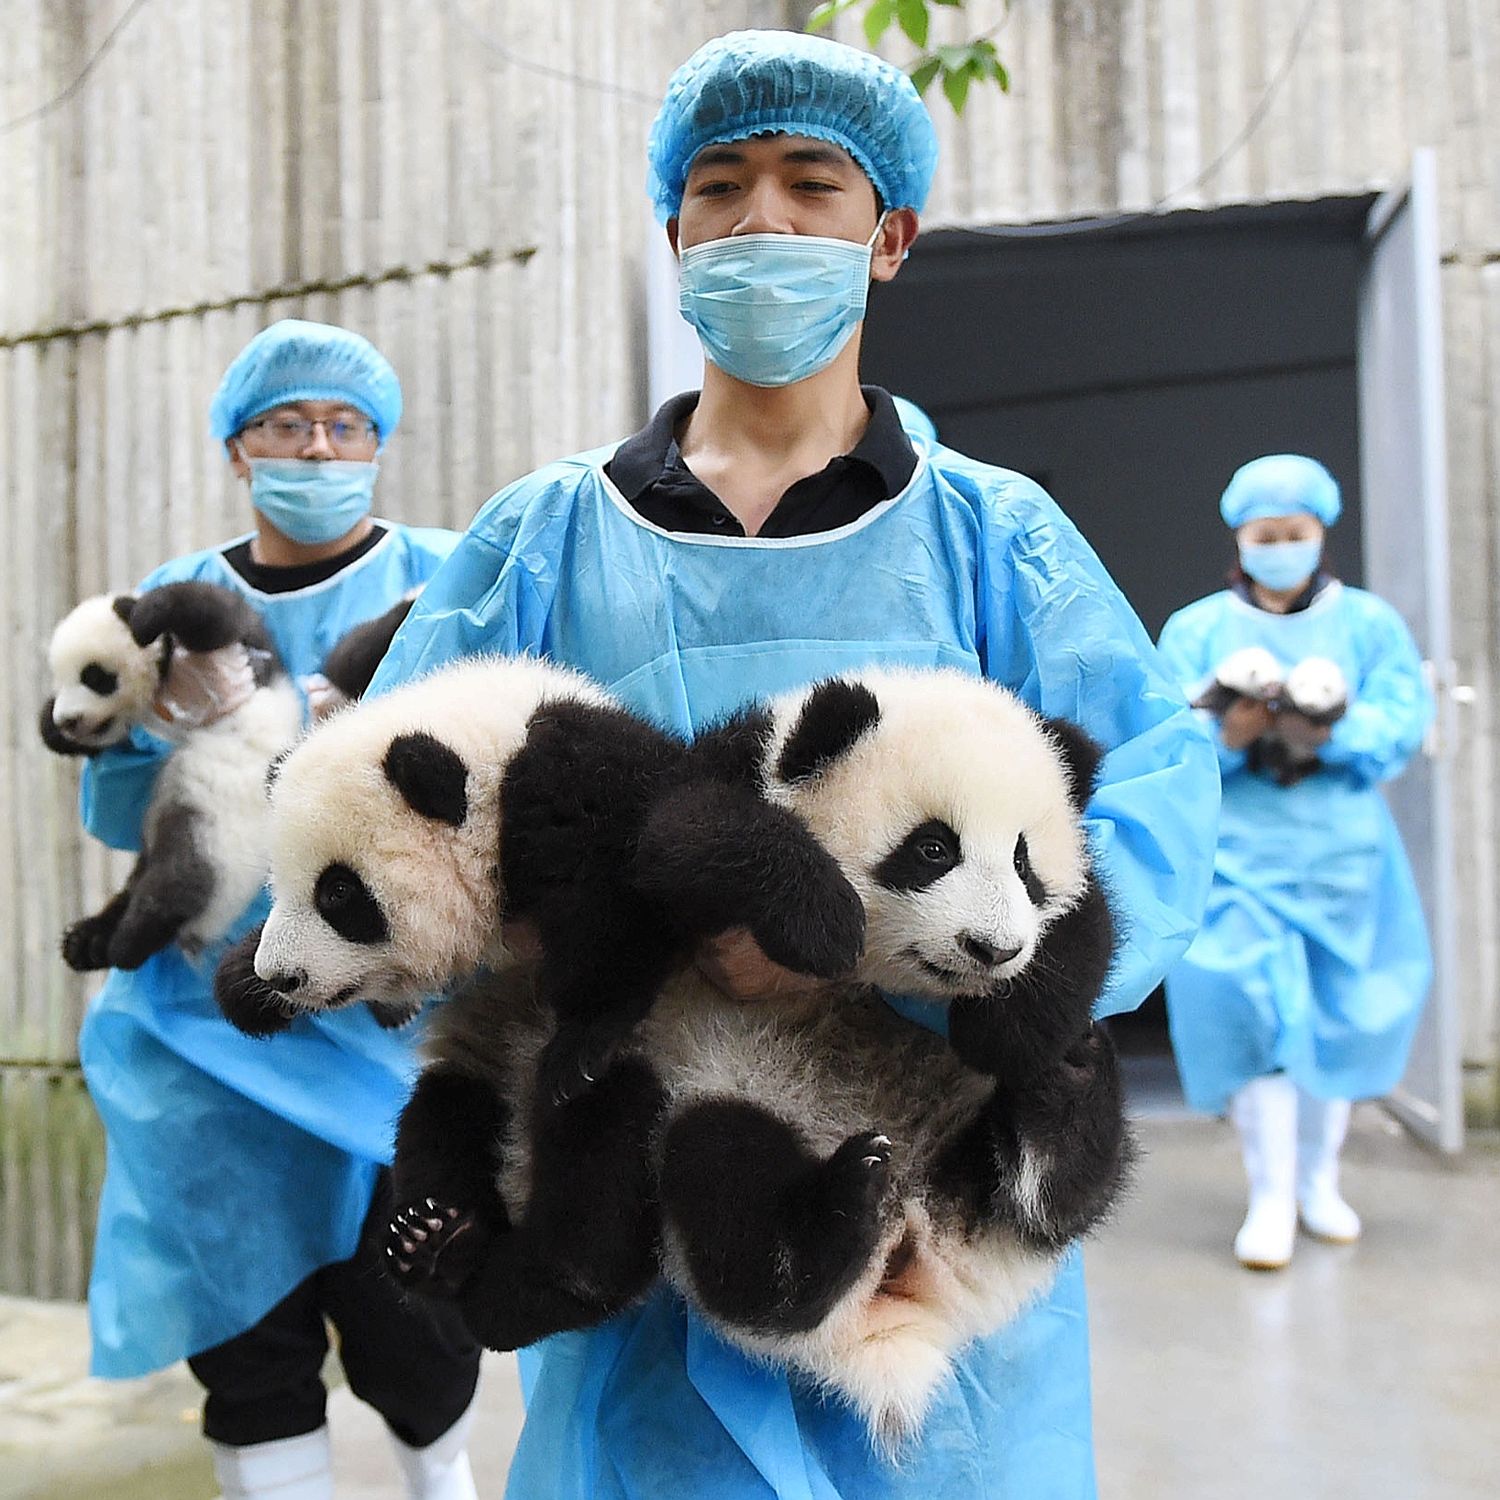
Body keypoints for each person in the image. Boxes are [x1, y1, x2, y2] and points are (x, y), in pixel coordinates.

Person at [373, 30, 1218, 1500]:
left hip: (936, 1249)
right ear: (672, 229)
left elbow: (1159, 799)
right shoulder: (545, 542)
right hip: (646, 1240)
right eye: (722, 186)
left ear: (888, 236)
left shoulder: (995, 539)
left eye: (810, 185)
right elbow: (393, 794)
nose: (762, 221)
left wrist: (880, 960)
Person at [75, 320, 482, 1500]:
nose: (320, 445)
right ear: (236, 451)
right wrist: (162, 734)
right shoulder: (166, 608)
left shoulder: (447, 580)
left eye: (346, 425)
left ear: (380, 442)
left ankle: (440, 1475)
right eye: (287, 425)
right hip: (206, 1043)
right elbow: (116, 816)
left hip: (396, 1035)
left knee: (420, 1320)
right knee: (246, 1333)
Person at [1158, 453, 1434, 1271]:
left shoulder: (1370, 625)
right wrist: (1229, 736)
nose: (1280, 546)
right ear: (1239, 541)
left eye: (1295, 533)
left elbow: (1399, 716)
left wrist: (1330, 733)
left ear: (1322, 535)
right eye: (1265, 535)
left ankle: (1320, 1182)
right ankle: (1269, 1194)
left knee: (1332, 1019)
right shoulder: (1199, 629)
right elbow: (1168, 728)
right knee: (1258, 1018)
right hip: (1241, 857)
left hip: (1342, 855)